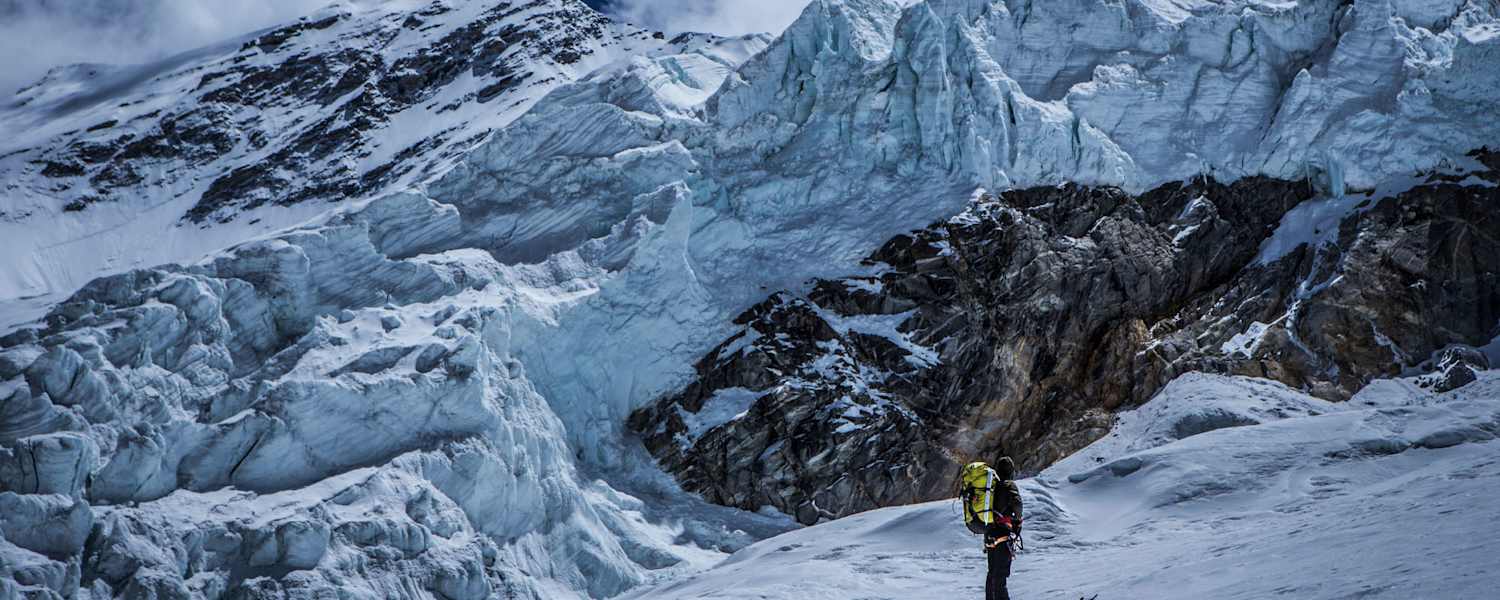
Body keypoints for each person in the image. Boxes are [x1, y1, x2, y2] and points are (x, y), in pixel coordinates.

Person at [983, 457, 1023, 600]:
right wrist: (1018, 520)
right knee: (1000, 575)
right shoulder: (1008, 484)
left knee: (992, 572)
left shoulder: (990, 486)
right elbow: (1017, 504)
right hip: (1003, 533)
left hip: (989, 534)